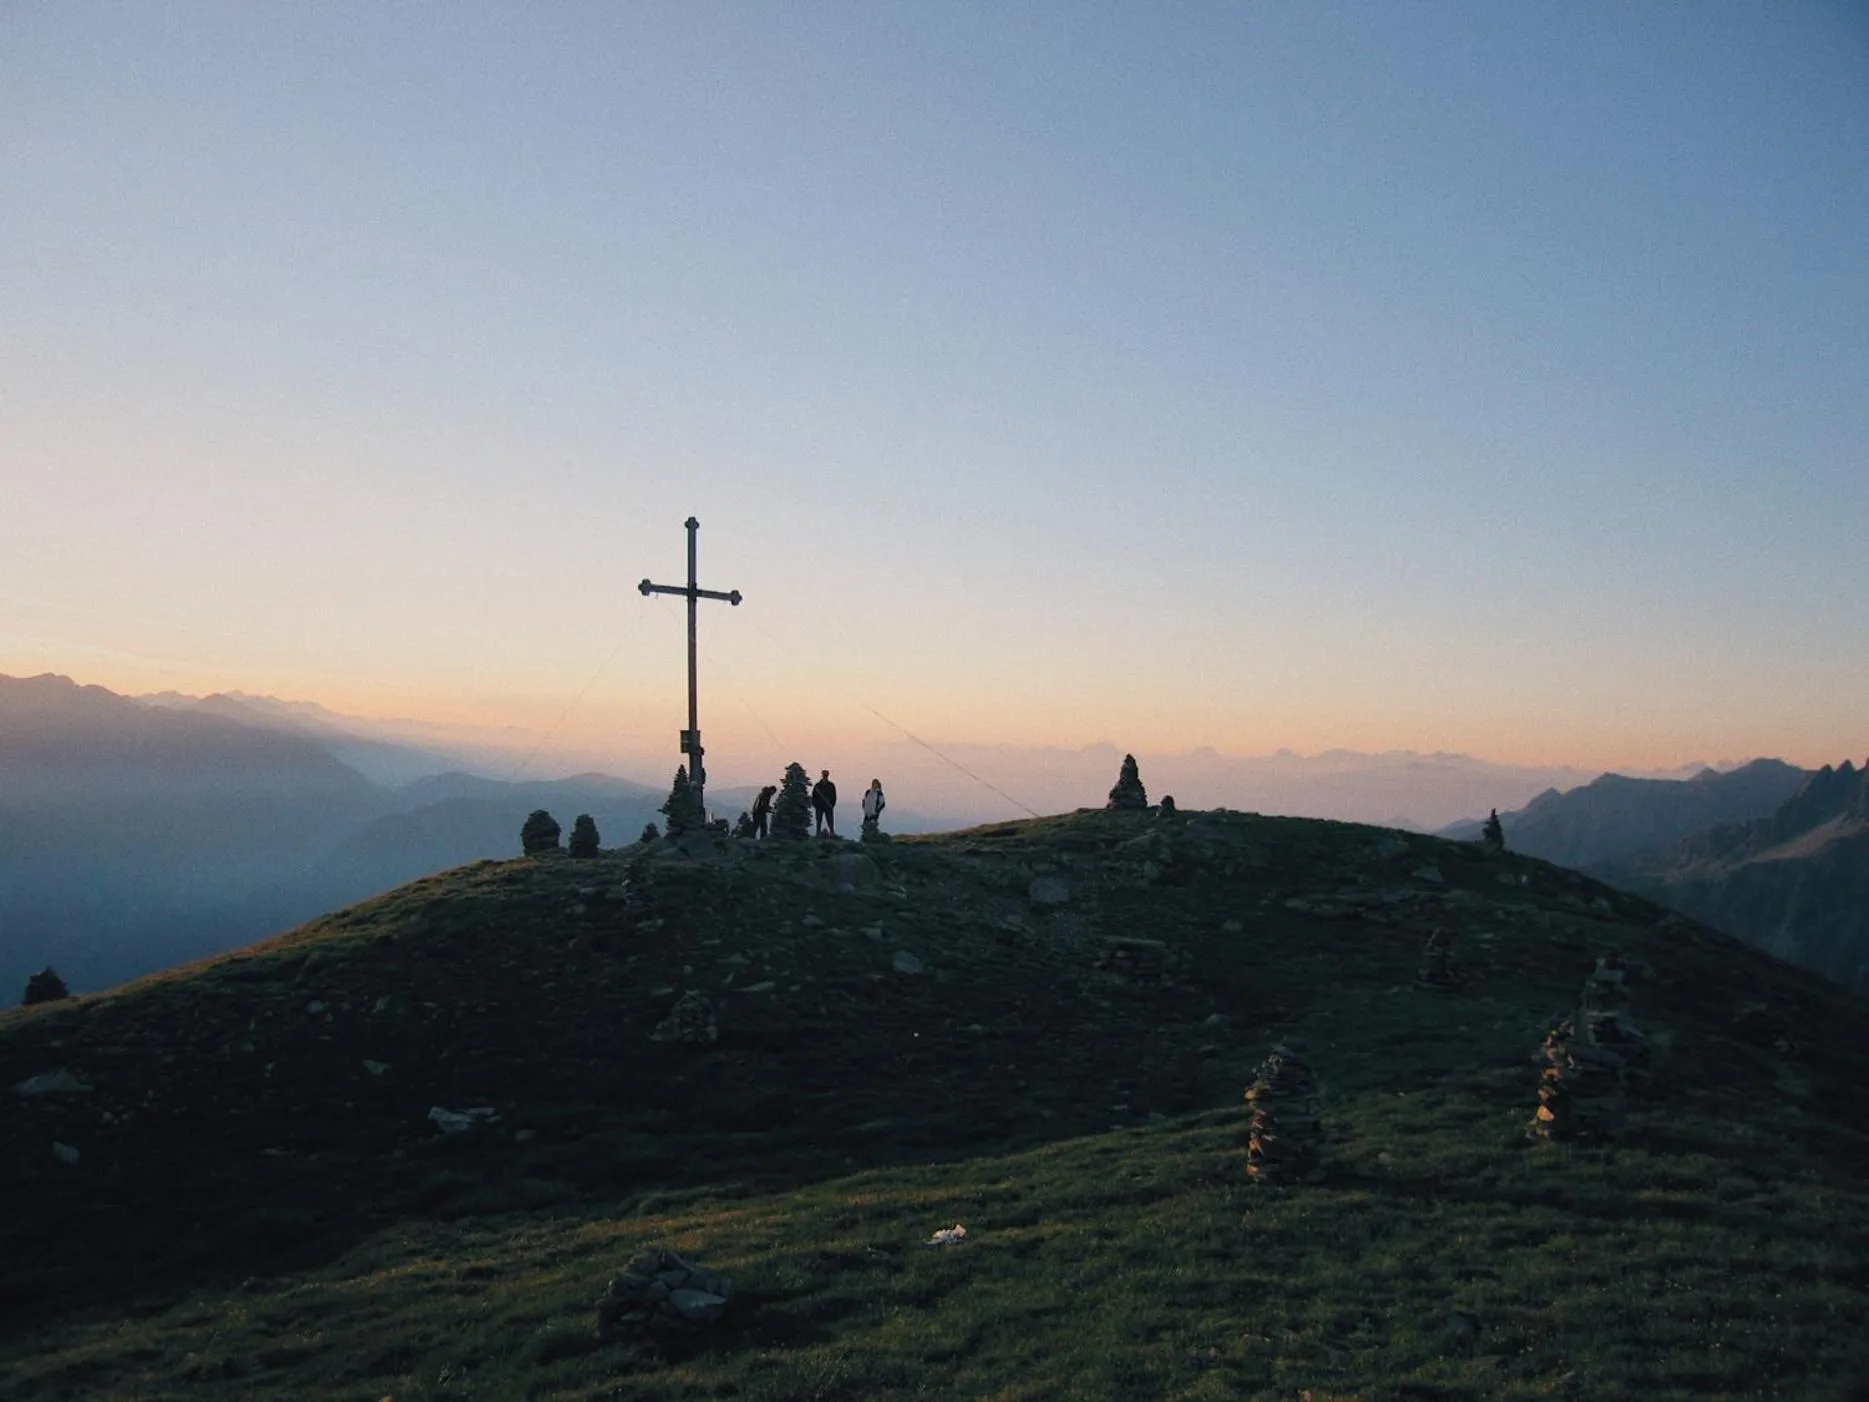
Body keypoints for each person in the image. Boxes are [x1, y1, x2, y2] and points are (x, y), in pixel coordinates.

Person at [811, 769, 838, 836]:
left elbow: (834, 796)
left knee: (830, 821)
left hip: (828, 806)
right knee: (818, 820)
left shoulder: (831, 785)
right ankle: (818, 833)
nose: (825, 776)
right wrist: (816, 805)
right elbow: (814, 796)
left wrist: (832, 805)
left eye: (826, 775)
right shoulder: (817, 785)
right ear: (822, 775)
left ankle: (832, 832)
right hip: (819, 806)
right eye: (824, 775)